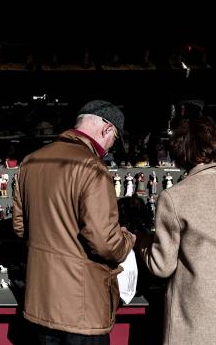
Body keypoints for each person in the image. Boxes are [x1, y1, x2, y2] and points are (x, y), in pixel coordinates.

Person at [13, 100, 135, 344]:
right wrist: (127, 240)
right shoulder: (93, 168)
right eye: (114, 140)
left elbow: (20, 227)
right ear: (107, 129)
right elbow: (105, 243)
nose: (110, 148)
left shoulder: (31, 162)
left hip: (42, 303)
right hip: (83, 309)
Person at [136, 117, 216, 344]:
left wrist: (141, 241)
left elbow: (161, 266)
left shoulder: (175, 197)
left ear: (180, 152)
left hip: (196, 326)